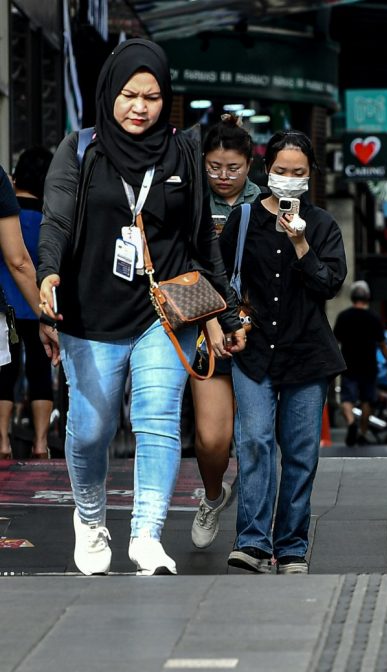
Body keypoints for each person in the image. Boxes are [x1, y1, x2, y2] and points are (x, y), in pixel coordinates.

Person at [37, 39, 245, 576]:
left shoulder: (182, 155)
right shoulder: (80, 150)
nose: (140, 106)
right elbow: (57, 221)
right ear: (110, 93)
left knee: (156, 420)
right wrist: (49, 273)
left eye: (152, 96)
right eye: (130, 94)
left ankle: (147, 535)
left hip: (164, 313)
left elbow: (202, 239)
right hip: (89, 313)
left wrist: (225, 312)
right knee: (90, 428)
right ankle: (90, 518)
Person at [220, 130, 346, 575]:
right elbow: (222, 279)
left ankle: (291, 546)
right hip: (253, 351)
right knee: (253, 441)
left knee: (300, 452)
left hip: (307, 354)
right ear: (265, 170)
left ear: (310, 175)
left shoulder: (323, 225)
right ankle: (252, 541)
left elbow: (330, 284)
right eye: (280, 171)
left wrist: (300, 244)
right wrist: (230, 322)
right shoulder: (243, 219)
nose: (288, 179)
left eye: (297, 173)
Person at [188, 114, 264, 550]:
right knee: (212, 437)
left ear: (249, 166)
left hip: (254, 331)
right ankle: (214, 495)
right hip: (205, 330)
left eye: (232, 168)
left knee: (257, 439)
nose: (222, 176)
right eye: (214, 167)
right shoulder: (190, 201)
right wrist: (212, 319)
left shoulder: (264, 204)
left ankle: (258, 536)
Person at [0, 148, 53, 459]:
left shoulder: (7, 212)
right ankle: (41, 443)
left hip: (3, 305)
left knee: (4, 373)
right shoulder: (49, 219)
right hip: (37, 304)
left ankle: (3, 442)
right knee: (39, 370)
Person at [333, 280, 387, 446]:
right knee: (367, 400)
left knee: (346, 398)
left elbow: (335, 341)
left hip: (348, 364)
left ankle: (351, 422)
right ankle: (363, 432)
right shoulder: (373, 318)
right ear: (367, 297)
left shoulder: (343, 316)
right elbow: (382, 344)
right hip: (368, 366)